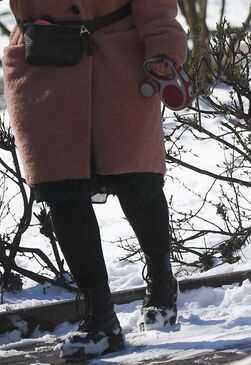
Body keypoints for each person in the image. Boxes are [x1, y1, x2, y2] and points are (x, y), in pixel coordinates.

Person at [2, 0, 188, 360]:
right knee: (62, 191)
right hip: (42, 65)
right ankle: (100, 317)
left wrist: (165, 48)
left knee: (139, 182)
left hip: (119, 64)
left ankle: (162, 283)